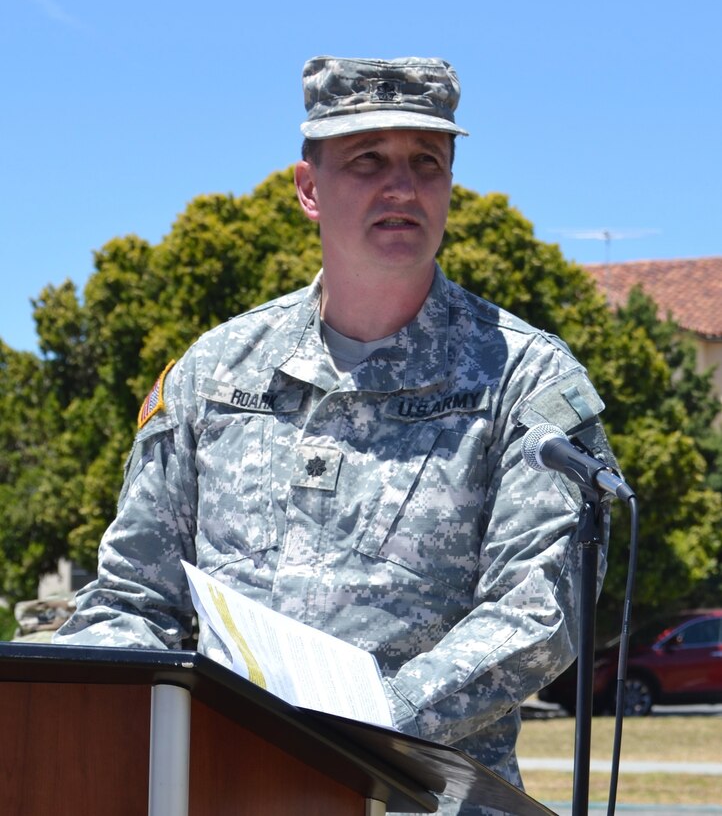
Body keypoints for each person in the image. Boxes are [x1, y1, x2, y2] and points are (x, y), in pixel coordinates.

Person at [55, 56, 616, 814]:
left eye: (427, 162)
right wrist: (76, 709)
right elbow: (132, 598)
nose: (402, 186)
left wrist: (356, 729)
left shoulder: (526, 379)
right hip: (224, 788)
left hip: (424, 799)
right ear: (309, 188)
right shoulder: (214, 373)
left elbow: (538, 616)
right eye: (368, 161)